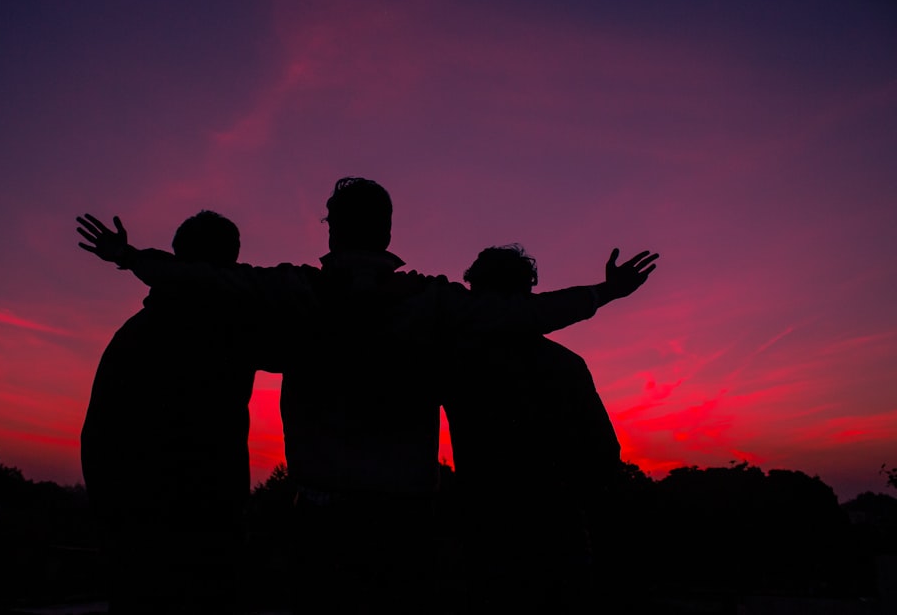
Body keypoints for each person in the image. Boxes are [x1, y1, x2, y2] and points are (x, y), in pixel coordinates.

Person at [76, 178, 658, 614]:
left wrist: (130, 258)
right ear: (387, 231)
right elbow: (525, 314)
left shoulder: (293, 291)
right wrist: (604, 292)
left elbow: (206, 279)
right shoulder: (432, 303)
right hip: (408, 519)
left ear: (332, 229)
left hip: (321, 516)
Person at [80, 210, 262, 615]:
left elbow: (97, 441)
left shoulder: (138, 334)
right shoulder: (241, 325)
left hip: (148, 530)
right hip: (199, 527)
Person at [443, 244, 624, 614]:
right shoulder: (566, 364)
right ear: (528, 292)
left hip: (483, 531)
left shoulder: (454, 362)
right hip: (559, 531)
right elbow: (604, 455)